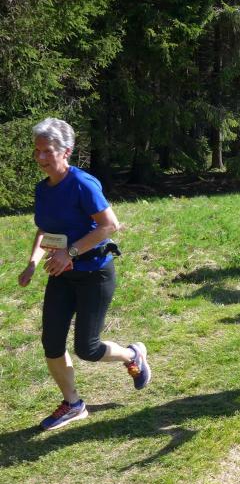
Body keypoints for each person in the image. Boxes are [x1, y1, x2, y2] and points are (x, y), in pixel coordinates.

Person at [18, 118, 151, 431]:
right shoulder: (43, 189)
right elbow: (44, 229)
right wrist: (33, 262)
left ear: (66, 151)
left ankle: (132, 354)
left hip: (95, 273)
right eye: (37, 151)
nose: (40, 157)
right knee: (51, 342)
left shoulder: (82, 183)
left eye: (47, 151)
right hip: (61, 274)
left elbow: (109, 225)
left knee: (87, 349)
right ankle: (73, 404)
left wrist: (70, 252)